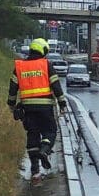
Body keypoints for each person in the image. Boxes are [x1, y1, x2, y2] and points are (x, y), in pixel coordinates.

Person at [7, 38, 68, 177]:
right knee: (50, 131)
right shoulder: (46, 65)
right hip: (45, 107)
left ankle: (35, 169)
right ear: (43, 51)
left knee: (32, 134)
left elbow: (12, 89)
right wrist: (62, 104)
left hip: (28, 109)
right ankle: (45, 150)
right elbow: (56, 86)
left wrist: (11, 105)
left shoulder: (20, 67)